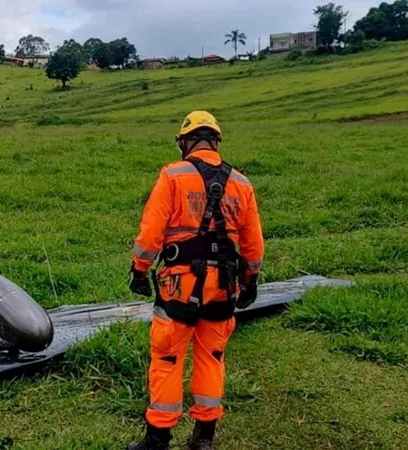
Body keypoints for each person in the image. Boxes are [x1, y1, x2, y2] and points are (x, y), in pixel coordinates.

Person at [127, 111, 264, 450]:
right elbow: (253, 243)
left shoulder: (173, 175)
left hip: (180, 282)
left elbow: (151, 231)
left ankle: (157, 441)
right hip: (223, 285)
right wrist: (250, 280)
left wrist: (140, 270)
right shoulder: (242, 183)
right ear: (216, 142)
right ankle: (204, 438)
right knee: (211, 356)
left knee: (168, 358)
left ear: (185, 142)